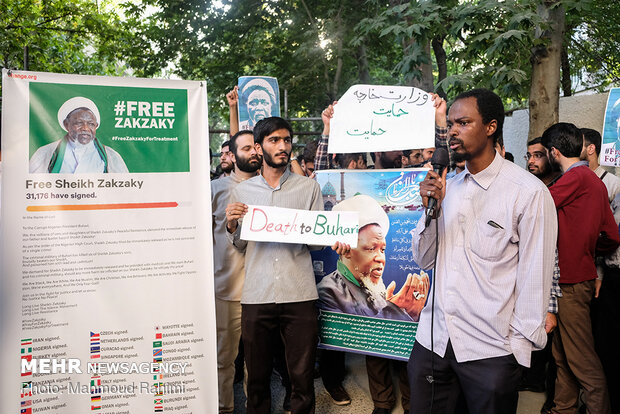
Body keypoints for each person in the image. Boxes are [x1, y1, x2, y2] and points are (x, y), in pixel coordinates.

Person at [409, 88, 558, 414]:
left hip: (491, 351)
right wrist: (430, 210)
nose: (452, 132)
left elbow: (535, 278)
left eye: (463, 123)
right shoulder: (448, 188)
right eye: (450, 124)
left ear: (491, 127)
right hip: (433, 343)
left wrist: (514, 354)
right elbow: (424, 258)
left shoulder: (528, 193)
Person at [225, 117, 330, 414]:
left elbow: (317, 244)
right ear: (259, 148)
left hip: (299, 293)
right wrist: (232, 226)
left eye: (286, 140)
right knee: (256, 379)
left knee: (302, 378)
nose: (283, 146)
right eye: (274, 140)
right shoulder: (243, 192)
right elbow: (240, 244)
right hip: (257, 295)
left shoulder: (308, 189)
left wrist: (328, 235)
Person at [542, 122, 620, 414]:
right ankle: (563, 408)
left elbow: (536, 206)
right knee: (562, 357)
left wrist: (577, 250)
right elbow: (612, 236)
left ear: (554, 151)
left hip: (571, 282)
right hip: (579, 278)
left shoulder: (574, 179)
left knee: (582, 359)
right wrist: (587, 249)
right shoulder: (596, 181)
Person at [211, 130, 262, 413]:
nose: (253, 153)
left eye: (256, 147)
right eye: (246, 148)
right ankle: (224, 408)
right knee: (224, 359)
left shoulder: (271, 188)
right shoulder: (215, 190)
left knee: (256, 363)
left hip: (263, 292)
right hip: (226, 288)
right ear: (232, 154)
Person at [318, 195, 430, 321]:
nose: (380, 258)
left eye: (382, 250)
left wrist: (411, 314)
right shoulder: (328, 291)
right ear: (347, 251)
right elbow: (350, 335)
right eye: (371, 249)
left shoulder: (376, 292)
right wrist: (396, 311)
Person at [581, 128, 620, 414]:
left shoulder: (614, 185)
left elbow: (611, 236)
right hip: (601, 275)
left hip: (612, 275)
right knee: (601, 342)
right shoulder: (575, 182)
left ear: (591, 148)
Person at [29, 97, 128, 173]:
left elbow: (123, 191)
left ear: (96, 126)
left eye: (91, 124)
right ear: (66, 124)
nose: (85, 128)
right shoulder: (46, 152)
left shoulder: (110, 156)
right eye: (79, 123)